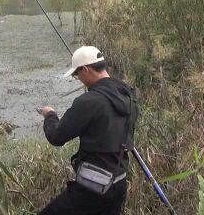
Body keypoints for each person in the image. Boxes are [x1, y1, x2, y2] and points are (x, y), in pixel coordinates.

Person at [38, 46, 139, 215]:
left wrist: (50, 116)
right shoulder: (128, 95)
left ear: (85, 69)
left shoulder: (89, 101)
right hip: (119, 183)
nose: (78, 79)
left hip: (93, 187)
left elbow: (56, 137)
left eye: (77, 74)